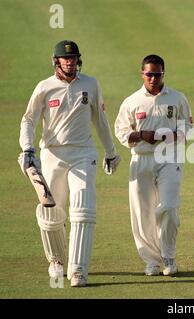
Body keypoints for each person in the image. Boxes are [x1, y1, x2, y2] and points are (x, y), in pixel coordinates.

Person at [18, 40, 120, 287]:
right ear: (56, 61)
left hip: (84, 153)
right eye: (66, 59)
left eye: (74, 59)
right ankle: (56, 261)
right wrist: (27, 147)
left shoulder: (91, 84)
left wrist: (111, 152)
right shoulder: (45, 87)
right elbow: (29, 119)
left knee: (83, 210)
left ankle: (78, 271)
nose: (70, 63)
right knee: (51, 213)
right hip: (53, 154)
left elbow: (101, 120)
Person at [114, 54, 193, 276]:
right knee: (142, 212)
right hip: (141, 158)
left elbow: (188, 126)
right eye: (149, 74)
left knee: (168, 207)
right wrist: (140, 135)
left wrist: (172, 135)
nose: (153, 78)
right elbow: (120, 131)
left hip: (170, 157)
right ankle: (151, 261)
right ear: (142, 74)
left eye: (157, 74)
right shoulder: (132, 101)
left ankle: (168, 255)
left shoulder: (177, 98)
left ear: (163, 74)